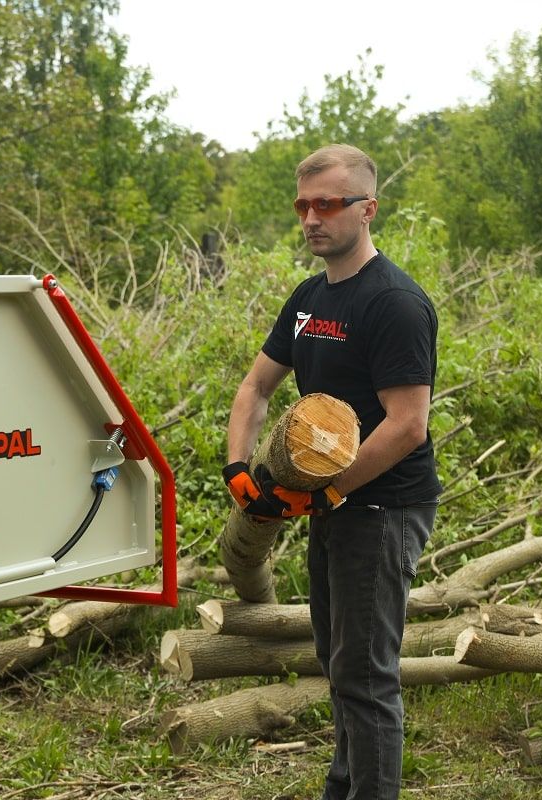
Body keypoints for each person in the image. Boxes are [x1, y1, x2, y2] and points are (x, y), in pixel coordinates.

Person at [222, 143, 441, 800]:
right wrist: (238, 468)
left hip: (383, 506)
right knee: (335, 659)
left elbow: (407, 425)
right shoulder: (309, 298)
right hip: (332, 504)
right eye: (303, 206)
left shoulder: (394, 303)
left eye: (328, 204)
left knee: (365, 675)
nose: (312, 218)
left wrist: (331, 491)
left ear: (367, 208)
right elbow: (257, 387)